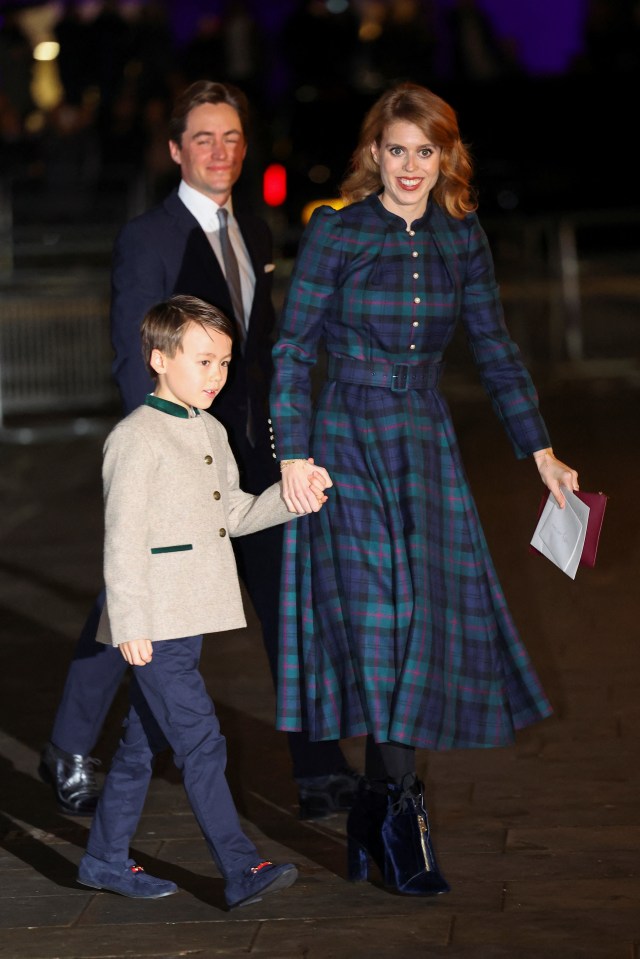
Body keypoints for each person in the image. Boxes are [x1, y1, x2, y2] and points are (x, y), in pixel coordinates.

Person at [269, 82, 580, 897]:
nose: (411, 166)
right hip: (343, 441)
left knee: (418, 629)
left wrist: (539, 451)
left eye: (426, 151)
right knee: (384, 626)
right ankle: (404, 816)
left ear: (447, 156)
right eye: (397, 149)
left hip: (424, 444)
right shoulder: (337, 232)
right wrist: (293, 453)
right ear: (374, 154)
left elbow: (495, 347)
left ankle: (374, 803)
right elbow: (294, 350)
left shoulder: (461, 238)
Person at [39, 80, 356, 821]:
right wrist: (156, 452)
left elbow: (266, 350)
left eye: (234, 137)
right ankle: (70, 746)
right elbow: (131, 355)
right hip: (178, 453)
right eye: (205, 138)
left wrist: (292, 443)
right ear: (176, 148)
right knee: (125, 603)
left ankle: (317, 768)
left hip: (256, 453)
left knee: (291, 605)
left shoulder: (257, 223)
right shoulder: (147, 238)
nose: (223, 151)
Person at [77, 295, 330, 904]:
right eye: (203, 361)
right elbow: (122, 541)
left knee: (143, 745)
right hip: (154, 624)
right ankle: (241, 868)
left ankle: (105, 860)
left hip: (185, 621)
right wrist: (130, 623)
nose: (217, 375)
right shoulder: (136, 438)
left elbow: (235, 514)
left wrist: (291, 498)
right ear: (160, 360)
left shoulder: (210, 428)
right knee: (201, 740)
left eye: (223, 363)